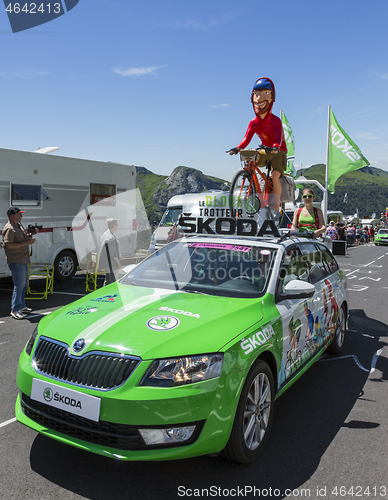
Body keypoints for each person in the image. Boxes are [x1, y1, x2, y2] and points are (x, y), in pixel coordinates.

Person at [228, 77, 287, 209]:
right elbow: (246, 139)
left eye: (265, 94)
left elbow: (279, 137)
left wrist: (276, 146)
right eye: (256, 94)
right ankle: (252, 186)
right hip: (265, 150)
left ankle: (276, 205)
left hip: (279, 151)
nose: (259, 98)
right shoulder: (253, 122)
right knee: (251, 159)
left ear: (271, 98)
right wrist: (237, 148)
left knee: (275, 175)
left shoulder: (275, 120)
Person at [2, 207, 38, 319]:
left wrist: (30, 235)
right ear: (13, 216)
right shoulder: (9, 228)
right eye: (19, 214)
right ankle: (15, 309)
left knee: (24, 284)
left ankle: (22, 306)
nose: (21, 216)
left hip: (23, 259)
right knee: (19, 285)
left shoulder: (18, 226)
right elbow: (8, 245)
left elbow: (22, 239)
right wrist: (27, 242)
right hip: (16, 260)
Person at [99, 218, 121, 286]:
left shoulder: (105, 234)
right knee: (113, 283)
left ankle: (105, 294)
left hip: (107, 263)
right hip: (112, 264)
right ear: (114, 226)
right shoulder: (111, 238)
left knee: (107, 281)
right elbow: (113, 254)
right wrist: (119, 263)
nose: (118, 226)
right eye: (117, 224)